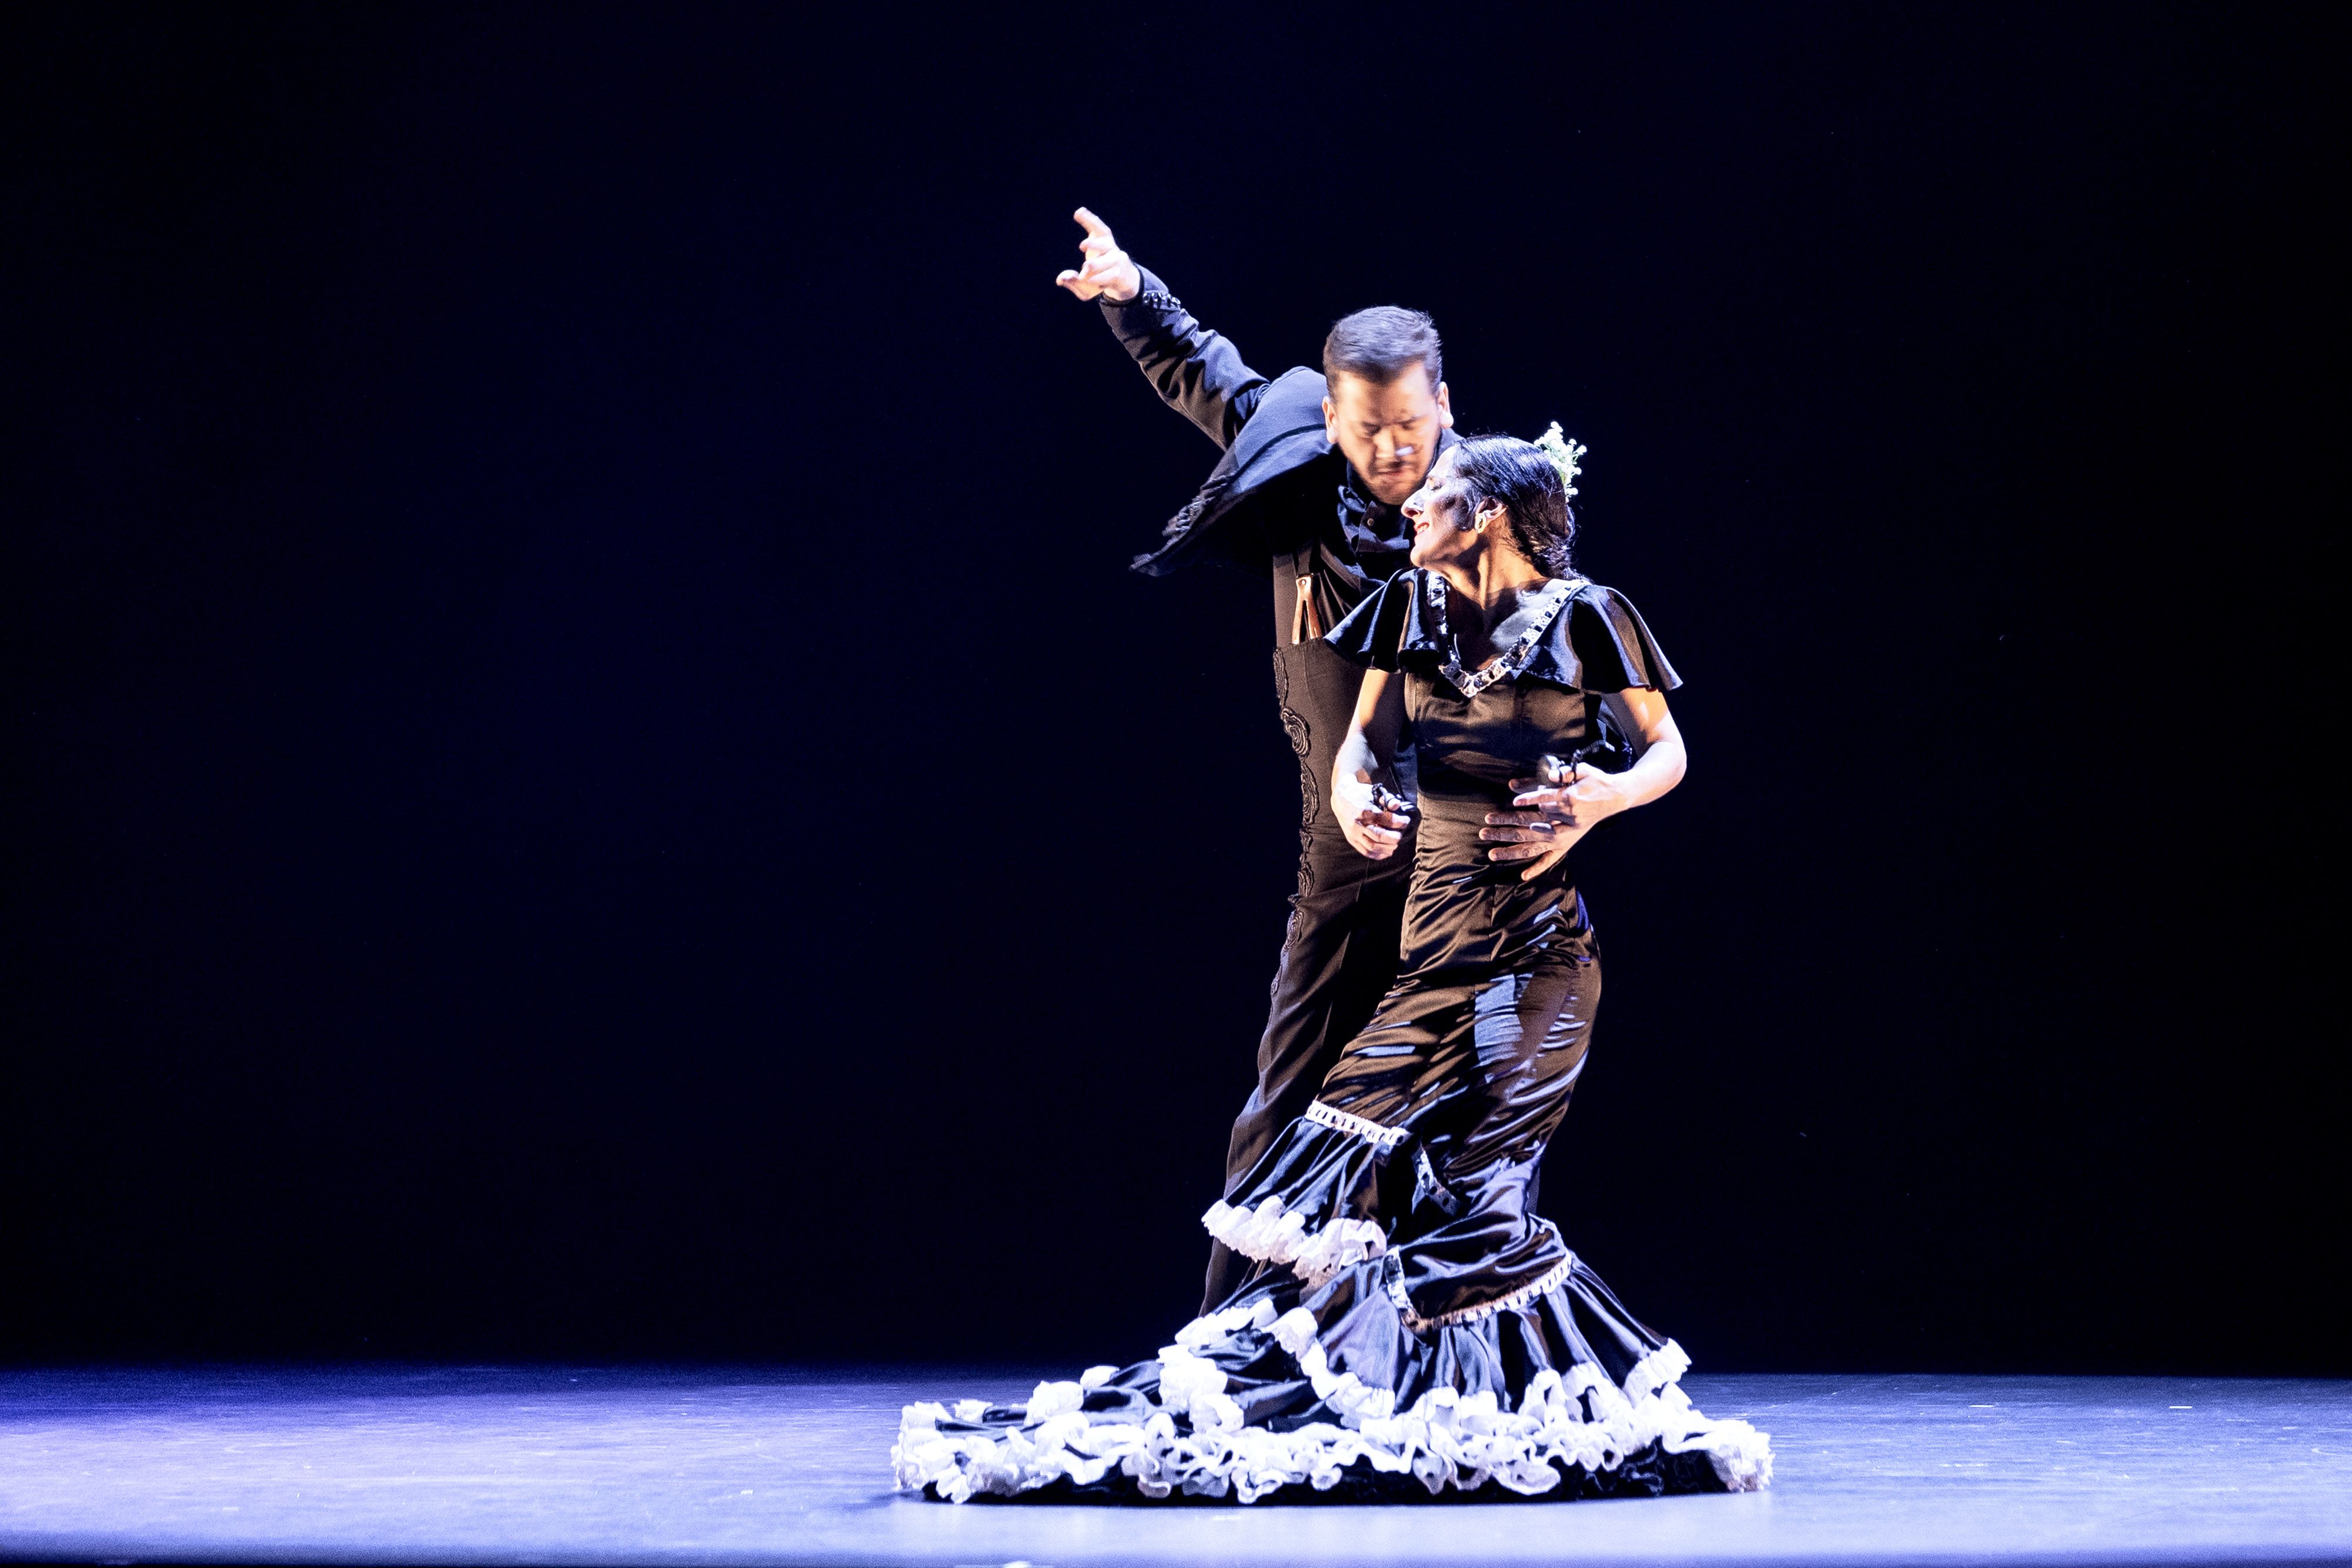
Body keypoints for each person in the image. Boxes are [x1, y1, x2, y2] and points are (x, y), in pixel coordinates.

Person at [896, 432, 1773, 1505]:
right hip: (1431, 950)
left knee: (1482, 1192)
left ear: (1490, 514)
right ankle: (1394, 1393)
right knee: (1344, 1161)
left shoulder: (1592, 615)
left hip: (1536, 955)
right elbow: (1365, 741)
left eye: (1435, 490)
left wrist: (1602, 797)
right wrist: (1356, 791)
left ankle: (1488, 1411)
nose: (1411, 505)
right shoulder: (1409, 610)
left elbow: (1667, 750)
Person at [1055, 208, 1451, 1312]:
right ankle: (1236, 1335)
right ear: (1331, 415)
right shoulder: (1297, 452)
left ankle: (1432, 1341)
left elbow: (1549, 677)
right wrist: (1131, 291)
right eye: (1368, 429)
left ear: (1443, 405)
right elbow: (1207, 372)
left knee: (1447, 1109)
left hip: (1463, 859)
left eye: (1410, 425)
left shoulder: (1489, 512)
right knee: (1293, 1082)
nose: (1392, 451)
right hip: (1343, 849)